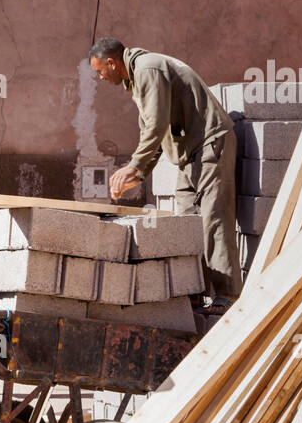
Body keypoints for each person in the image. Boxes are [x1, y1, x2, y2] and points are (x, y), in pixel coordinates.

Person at [87, 36, 242, 307]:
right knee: (186, 223)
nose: (100, 77)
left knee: (213, 219)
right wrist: (140, 173)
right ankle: (195, 293)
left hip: (209, 145)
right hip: (190, 153)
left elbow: (156, 125)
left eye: (99, 71)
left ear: (112, 63)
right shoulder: (136, 80)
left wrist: (133, 165)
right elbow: (156, 130)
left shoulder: (148, 69)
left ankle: (226, 296)